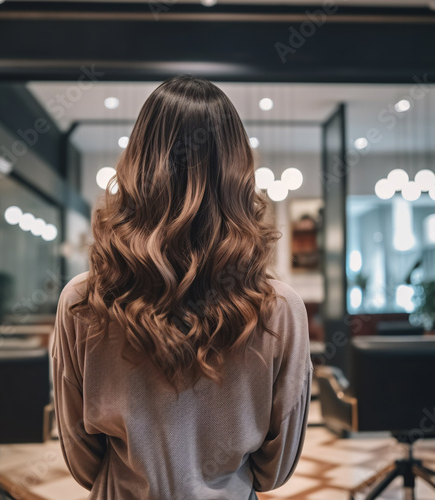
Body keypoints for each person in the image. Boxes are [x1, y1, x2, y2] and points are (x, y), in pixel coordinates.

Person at [52, 74, 312, 500]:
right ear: (238, 173)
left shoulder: (83, 301)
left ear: (137, 164)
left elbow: (82, 461)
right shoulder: (280, 308)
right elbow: (275, 469)